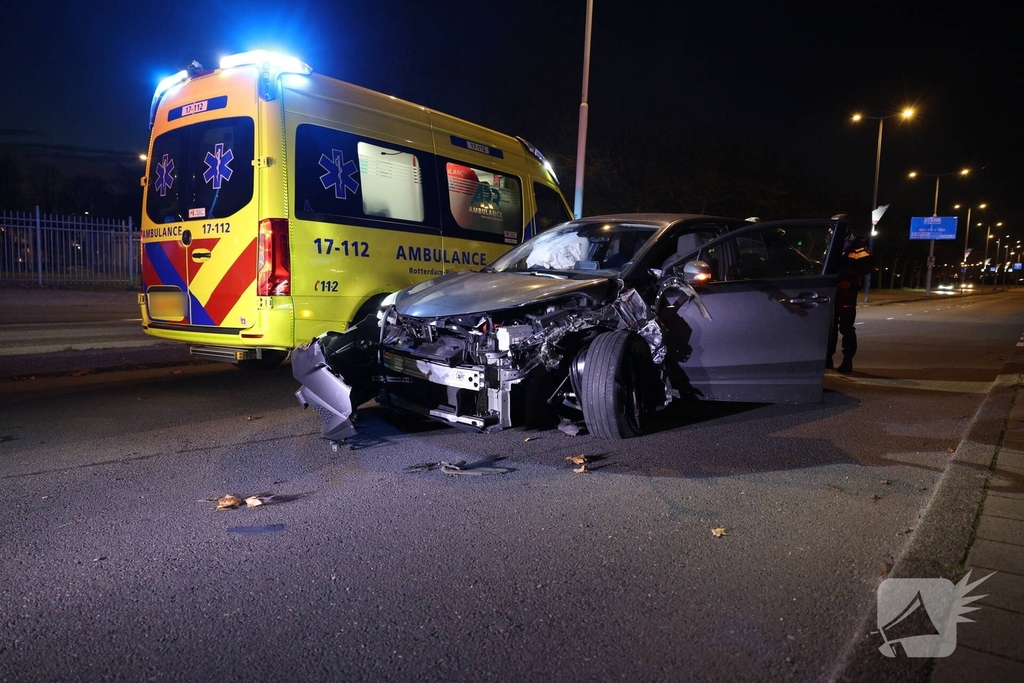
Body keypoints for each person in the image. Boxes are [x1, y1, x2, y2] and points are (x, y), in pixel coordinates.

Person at [827, 214, 873, 373]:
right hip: (830, 288)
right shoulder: (830, 239)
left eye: (834, 224)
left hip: (846, 289)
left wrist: (847, 278)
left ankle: (847, 360)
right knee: (829, 327)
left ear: (844, 225)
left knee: (846, 327)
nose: (830, 227)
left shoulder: (858, 242)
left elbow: (866, 266)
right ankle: (827, 358)